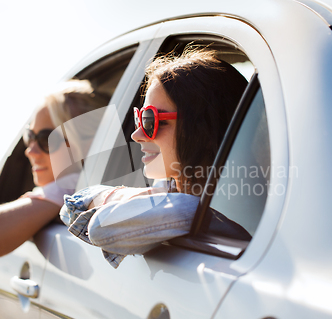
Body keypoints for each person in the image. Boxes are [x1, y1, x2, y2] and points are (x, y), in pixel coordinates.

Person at [61, 49, 250, 268]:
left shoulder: (203, 209)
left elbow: (100, 227)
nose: (136, 134)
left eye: (151, 120)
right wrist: (149, 195)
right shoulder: (172, 192)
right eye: (139, 118)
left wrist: (158, 199)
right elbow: (72, 206)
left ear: (205, 129)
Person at [0, 80, 106, 258]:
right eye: (30, 136)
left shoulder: (71, 187)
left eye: (46, 139)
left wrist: (58, 190)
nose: (30, 151)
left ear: (88, 145)